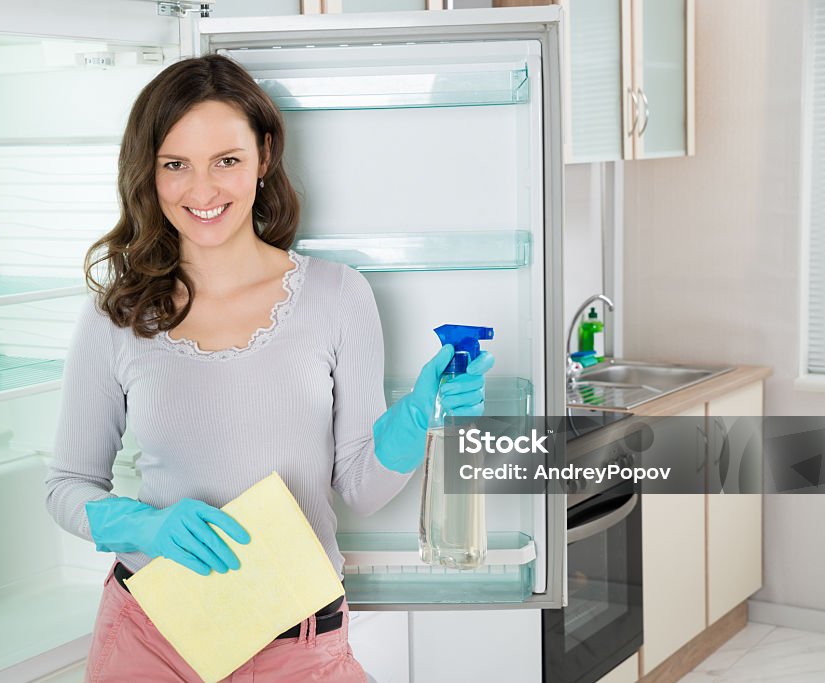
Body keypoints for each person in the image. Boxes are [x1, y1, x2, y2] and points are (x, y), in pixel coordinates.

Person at [45, 54, 494, 683]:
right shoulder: (116, 318)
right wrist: (146, 524)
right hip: (151, 633)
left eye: (226, 161)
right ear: (149, 174)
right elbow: (66, 484)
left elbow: (361, 484)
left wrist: (420, 415)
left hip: (297, 642)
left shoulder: (337, 297)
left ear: (263, 155)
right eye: (176, 165)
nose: (202, 191)